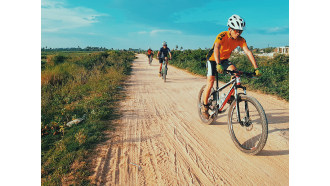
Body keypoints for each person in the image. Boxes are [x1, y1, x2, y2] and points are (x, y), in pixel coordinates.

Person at [201, 14, 262, 119]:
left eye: (240, 31)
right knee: (210, 82)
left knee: (235, 73)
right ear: (229, 29)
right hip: (213, 59)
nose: (238, 33)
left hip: (224, 60)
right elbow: (216, 48)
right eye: (236, 31)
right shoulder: (222, 35)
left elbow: (248, 52)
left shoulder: (241, 40)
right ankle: (204, 106)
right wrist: (218, 64)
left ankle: (229, 96)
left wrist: (256, 68)